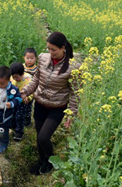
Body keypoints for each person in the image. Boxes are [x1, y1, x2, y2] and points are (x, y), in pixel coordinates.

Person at [21, 32, 81, 175]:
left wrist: (71, 113)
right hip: (41, 103)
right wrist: (26, 91)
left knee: (44, 137)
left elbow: (75, 93)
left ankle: (50, 162)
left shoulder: (74, 67)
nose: (50, 52)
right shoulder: (42, 58)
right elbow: (36, 80)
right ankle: (42, 162)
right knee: (39, 136)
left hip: (57, 107)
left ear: (63, 48)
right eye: (48, 48)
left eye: (53, 49)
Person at [10, 62, 33, 141]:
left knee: (21, 115)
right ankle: (13, 125)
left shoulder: (28, 80)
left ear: (22, 74)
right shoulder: (12, 78)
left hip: (24, 100)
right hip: (15, 99)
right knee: (13, 112)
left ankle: (19, 132)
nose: (14, 79)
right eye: (13, 77)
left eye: (16, 77)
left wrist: (28, 97)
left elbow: (32, 91)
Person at [22, 48, 38, 126]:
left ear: (36, 58)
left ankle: (27, 121)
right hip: (22, 88)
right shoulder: (21, 67)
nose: (30, 60)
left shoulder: (36, 69)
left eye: (32, 58)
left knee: (28, 106)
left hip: (31, 90)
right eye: (27, 58)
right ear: (24, 58)